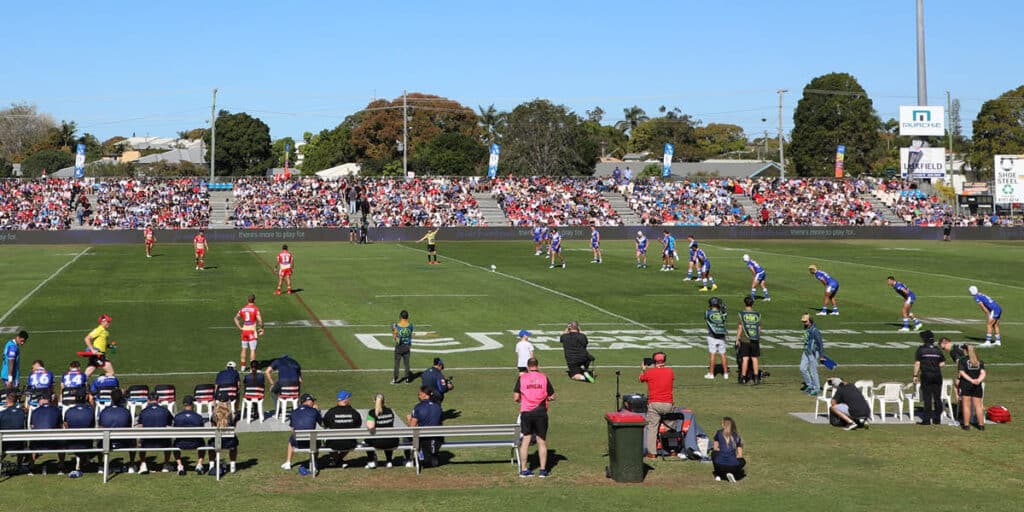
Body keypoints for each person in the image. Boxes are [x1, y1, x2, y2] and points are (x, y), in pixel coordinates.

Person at [514, 358, 555, 477]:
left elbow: (516, 397)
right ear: (537, 366)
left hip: (526, 412)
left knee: (526, 440)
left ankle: (524, 469)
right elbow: (552, 395)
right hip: (541, 412)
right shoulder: (543, 377)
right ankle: (542, 470)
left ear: (527, 366)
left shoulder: (522, 378)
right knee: (541, 441)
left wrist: (525, 400)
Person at [639, 352, 674, 459]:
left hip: (654, 404)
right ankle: (672, 450)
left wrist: (644, 369)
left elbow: (641, 378)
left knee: (652, 428)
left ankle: (652, 453)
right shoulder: (670, 371)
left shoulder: (650, 372)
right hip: (668, 404)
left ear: (654, 361)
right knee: (670, 428)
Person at [97, 389, 135, 473]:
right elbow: (129, 427)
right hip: (123, 442)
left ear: (111, 398)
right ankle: (132, 465)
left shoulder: (104, 412)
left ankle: (100, 466)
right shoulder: (126, 412)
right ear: (121, 398)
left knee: (100, 438)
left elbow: (100, 427)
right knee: (133, 439)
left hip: (106, 443)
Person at [136, 393, 174, 474]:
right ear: (158, 400)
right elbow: (170, 423)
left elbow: (140, 424)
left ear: (148, 400)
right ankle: (166, 464)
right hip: (163, 442)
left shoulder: (143, 412)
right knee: (169, 439)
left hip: (146, 442)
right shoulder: (165, 410)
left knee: (140, 441)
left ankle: (143, 464)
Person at [913, 330, 945, 425]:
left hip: (926, 375)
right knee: (937, 397)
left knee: (927, 398)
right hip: (937, 375)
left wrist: (915, 375)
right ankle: (937, 419)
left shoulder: (921, 349)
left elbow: (917, 363)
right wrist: (935, 366)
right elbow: (943, 363)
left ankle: (926, 420)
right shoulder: (937, 349)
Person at [322, 390, 361, 468]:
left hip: (333, 443)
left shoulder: (331, 412)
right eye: (349, 398)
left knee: (325, 441)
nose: (350, 399)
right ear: (346, 399)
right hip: (349, 443)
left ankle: (336, 459)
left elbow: (325, 425)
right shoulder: (353, 412)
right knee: (349, 441)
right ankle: (339, 460)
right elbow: (358, 425)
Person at [282, 393, 321, 471]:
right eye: (312, 401)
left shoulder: (294, 412)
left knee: (291, 440)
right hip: (311, 442)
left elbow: (292, 429)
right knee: (316, 439)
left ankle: (288, 462)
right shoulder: (314, 411)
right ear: (307, 401)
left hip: (297, 442)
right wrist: (317, 411)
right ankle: (313, 461)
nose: (313, 402)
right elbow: (322, 424)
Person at [407, 386, 443, 468]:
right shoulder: (438, 407)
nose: (418, 395)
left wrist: (409, 419)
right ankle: (433, 456)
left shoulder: (418, 407)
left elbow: (411, 426)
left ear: (424, 394)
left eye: (419, 394)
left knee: (407, 437)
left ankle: (411, 459)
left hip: (424, 437)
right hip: (437, 438)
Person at [28, 393, 64, 475]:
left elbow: (32, 426)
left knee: (33, 441)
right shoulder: (57, 410)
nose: (38, 401)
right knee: (62, 441)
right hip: (54, 443)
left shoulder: (35, 411)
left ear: (43, 400)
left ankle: (32, 466)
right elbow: (61, 426)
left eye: (39, 400)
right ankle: (61, 464)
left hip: (38, 443)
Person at [63, 390, 96, 477]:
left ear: (75, 398)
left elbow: (66, 426)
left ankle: (82, 460)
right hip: (86, 443)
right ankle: (84, 459)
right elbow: (92, 426)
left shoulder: (69, 411)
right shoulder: (90, 411)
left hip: (71, 443)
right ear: (86, 398)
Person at [172, 396, 207, 475]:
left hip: (180, 443)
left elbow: (175, 429)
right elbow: (202, 430)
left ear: (184, 405)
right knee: (202, 442)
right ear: (192, 404)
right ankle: (199, 464)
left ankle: (180, 466)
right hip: (196, 443)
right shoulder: (198, 417)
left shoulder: (177, 417)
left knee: (174, 444)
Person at [365, 393, 400, 469]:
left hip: (378, 443)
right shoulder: (390, 411)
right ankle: (389, 461)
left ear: (374, 401)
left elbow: (370, 427)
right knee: (388, 436)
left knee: (366, 439)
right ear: (384, 401)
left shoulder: (372, 413)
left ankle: (371, 461)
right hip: (392, 442)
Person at [957, 345, 987, 430]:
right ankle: (981, 425)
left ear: (966, 350)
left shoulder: (962, 360)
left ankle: (966, 425)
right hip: (977, 385)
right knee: (978, 405)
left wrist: (971, 380)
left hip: (966, 384)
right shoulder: (979, 361)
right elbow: (983, 373)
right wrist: (978, 380)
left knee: (966, 405)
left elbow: (962, 373)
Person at [210, 392, 239, 474]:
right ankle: (232, 465)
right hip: (229, 442)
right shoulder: (232, 415)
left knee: (211, 443)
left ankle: (211, 466)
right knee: (234, 443)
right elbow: (234, 427)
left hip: (217, 441)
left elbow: (213, 426)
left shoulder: (213, 415)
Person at [234, 294, 264, 373]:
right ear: (254, 300)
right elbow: (260, 321)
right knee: (252, 350)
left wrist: (240, 327)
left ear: (247, 300)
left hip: (244, 331)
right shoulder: (255, 309)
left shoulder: (243, 309)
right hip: (251, 331)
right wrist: (262, 328)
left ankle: (243, 367)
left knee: (244, 349)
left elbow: (236, 318)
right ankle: (252, 368)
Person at [735, 296, 762, 385]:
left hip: (745, 339)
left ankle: (743, 378)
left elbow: (740, 327)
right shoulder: (757, 314)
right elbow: (759, 327)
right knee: (754, 358)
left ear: (745, 303)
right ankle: (756, 378)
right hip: (754, 339)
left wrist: (737, 339)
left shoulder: (742, 314)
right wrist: (758, 337)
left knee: (745, 358)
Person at [0, 392, 29, 472]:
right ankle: (19, 465)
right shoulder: (22, 412)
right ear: (16, 401)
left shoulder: (2, 413)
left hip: (4, 443)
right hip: (18, 443)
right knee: (22, 442)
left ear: (6, 400)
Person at [711, 417, 745, 482]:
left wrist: (722, 451)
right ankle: (735, 475)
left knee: (713, 453)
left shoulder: (718, 433)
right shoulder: (737, 435)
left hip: (719, 465)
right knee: (742, 461)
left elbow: (715, 448)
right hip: (733, 466)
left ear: (723, 425)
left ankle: (718, 475)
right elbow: (740, 455)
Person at [704, 297, 729, 380]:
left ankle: (711, 374)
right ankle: (725, 374)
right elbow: (724, 319)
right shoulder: (722, 313)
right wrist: (723, 311)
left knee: (713, 354)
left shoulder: (707, 313)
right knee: (723, 354)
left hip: (712, 336)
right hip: (721, 336)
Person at [800, 314, 825, 395]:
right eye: (803, 321)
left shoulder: (815, 331)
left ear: (810, 321)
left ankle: (817, 388)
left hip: (813, 353)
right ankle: (810, 385)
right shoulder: (806, 328)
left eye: (805, 321)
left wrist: (821, 356)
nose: (804, 323)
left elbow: (820, 343)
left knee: (813, 371)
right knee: (802, 368)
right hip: (806, 351)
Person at [392, 310, 414, 384]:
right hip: (407, 346)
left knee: (397, 364)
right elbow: (410, 333)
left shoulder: (397, 326)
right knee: (407, 363)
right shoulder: (410, 325)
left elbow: (395, 337)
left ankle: (395, 379)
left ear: (400, 316)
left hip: (399, 347)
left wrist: (393, 329)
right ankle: (407, 379)